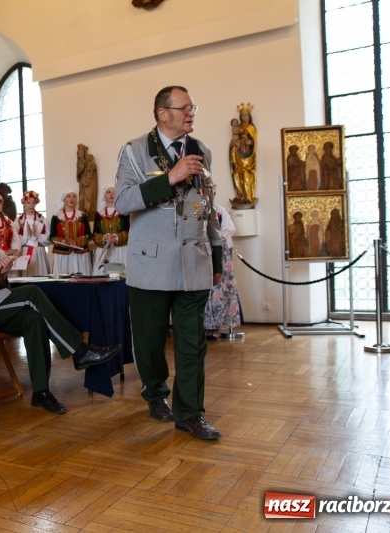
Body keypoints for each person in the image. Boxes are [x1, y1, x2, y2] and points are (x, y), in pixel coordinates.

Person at [0, 204, 121, 414]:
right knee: (32, 293)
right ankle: (80, 351)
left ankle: (41, 392)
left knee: (33, 319)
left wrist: (1, 275)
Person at [114, 85, 223, 440]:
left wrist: (216, 252)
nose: (192, 112)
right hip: (151, 265)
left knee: (193, 344)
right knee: (150, 341)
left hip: (195, 262)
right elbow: (124, 201)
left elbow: (207, 205)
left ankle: (190, 413)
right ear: (163, 113)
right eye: (185, 107)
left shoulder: (201, 150)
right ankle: (155, 391)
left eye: (194, 107)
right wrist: (171, 177)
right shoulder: (134, 151)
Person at [204, 204, 242, 339]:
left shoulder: (219, 210)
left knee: (220, 291)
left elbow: (229, 230)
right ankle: (205, 327)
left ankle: (219, 326)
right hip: (202, 255)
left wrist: (218, 238)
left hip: (221, 254)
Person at [49, 188, 92, 275]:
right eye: (68, 196)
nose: (71, 199)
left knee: (81, 280)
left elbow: (88, 235)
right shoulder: (56, 217)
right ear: (63, 199)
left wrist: (76, 241)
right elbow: (52, 236)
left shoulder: (82, 216)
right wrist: (62, 241)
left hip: (80, 255)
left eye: (74, 197)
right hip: (62, 255)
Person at [92, 185, 130, 272]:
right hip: (104, 250)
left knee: (120, 275)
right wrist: (104, 238)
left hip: (121, 250)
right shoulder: (99, 214)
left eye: (114, 192)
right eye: (108, 192)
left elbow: (128, 230)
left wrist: (116, 237)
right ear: (104, 196)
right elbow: (94, 234)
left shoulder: (124, 212)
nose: (111, 194)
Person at [15, 190, 50, 276]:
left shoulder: (42, 219)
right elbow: (15, 239)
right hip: (25, 251)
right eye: (28, 202)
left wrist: (36, 235)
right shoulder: (19, 220)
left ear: (36, 203)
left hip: (39, 251)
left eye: (33, 203)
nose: (31, 205)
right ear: (24, 203)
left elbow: (48, 238)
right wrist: (26, 236)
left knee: (41, 275)